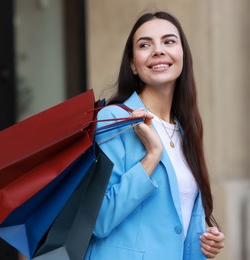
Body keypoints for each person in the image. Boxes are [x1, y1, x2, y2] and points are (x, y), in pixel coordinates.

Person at [85, 11, 225, 259]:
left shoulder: (185, 130)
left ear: (183, 56)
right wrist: (151, 157)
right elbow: (99, 220)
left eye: (169, 41)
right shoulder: (114, 120)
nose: (158, 50)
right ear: (132, 64)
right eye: (145, 45)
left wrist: (204, 241)